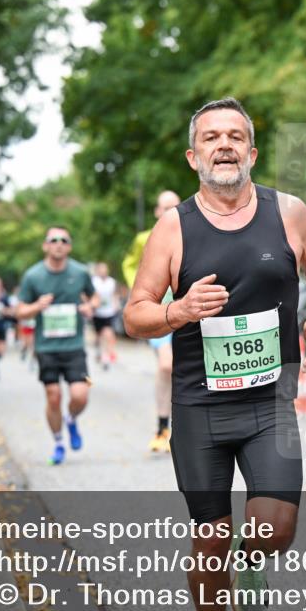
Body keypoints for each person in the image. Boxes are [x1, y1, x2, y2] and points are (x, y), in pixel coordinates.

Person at [124, 97, 306, 611]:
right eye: (212, 137)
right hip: (199, 410)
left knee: (277, 529)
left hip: (270, 402)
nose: (225, 145)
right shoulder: (174, 229)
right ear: (193, 156)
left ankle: (252, 559)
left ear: (252, 152)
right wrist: (180, 310)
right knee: (210, 538)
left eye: (235, 136)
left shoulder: (288, 213)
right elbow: (135, 314)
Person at [15, 227, 99, 466]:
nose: (59, 244)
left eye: (64, 240)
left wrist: (89, 307)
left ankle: (71, 419)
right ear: (45, 245)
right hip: (46, 347)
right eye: (54, 240)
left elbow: (94, 298)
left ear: (69, 247)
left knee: (80, 395)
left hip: (74, 346)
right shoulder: (33, 276)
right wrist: (36, 306)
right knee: (53, 397)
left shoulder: (80, 272)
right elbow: (20, 311)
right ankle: (59, 441)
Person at [123, 190, 183, 452]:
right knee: (166, 366)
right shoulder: (144, 238)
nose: (170, 211)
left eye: (175, 206)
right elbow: (129, 264)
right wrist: (139, 290)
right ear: (157, 212)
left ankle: (186, 427)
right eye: (165, 207)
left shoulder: (192, 234)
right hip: (159, 312)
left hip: (189, 310)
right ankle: (162, 427)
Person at [91, 262, 120, 371]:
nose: (103, 271)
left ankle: (106, 357)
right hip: (97, 313)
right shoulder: (94, 282)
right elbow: (90, 295)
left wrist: (116, 305)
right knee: (99, 335)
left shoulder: (111, 282)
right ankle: (99, 350)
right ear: (98, 270)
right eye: (101, 269)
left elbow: (114, 294)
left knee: (108, 333)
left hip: (109, 312)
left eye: (105, 269)